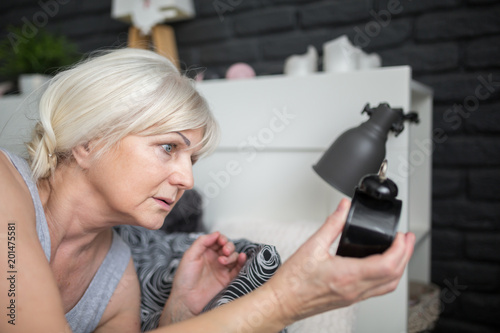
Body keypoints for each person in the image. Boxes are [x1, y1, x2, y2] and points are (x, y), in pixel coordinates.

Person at [0, 48, 415, 333]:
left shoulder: (116, 274)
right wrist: (287, 298)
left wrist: (176, 315)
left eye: (192, 160)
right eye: (168, 147)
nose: (187, 179)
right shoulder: (5, 188)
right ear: (87, 141)